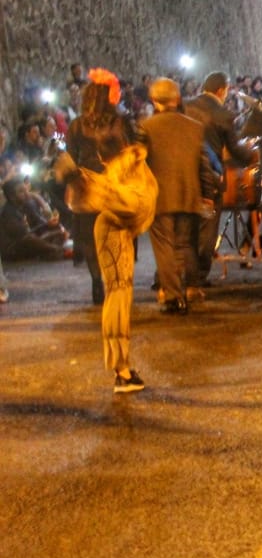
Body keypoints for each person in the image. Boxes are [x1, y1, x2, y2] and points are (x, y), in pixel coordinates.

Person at [67, 72, 157, 393]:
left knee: (109, 286)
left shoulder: (77, 126)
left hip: (88, 207)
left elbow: (73, 160)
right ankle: (121, 368)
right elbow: (131, 163)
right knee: (120, 288)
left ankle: (120, 365)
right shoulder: (120, 124)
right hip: (114, 207)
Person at [139, 77, 219, 314]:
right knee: (187, 243)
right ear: (177, 99)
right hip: (188, 193)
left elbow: (139, 163)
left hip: (159, 195)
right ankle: (193, 287)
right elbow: (203, 164)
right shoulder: (193, 127)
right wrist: (208, 193)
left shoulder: (146, 128)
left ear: (154, 100)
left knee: (165, 246)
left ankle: (173, 295)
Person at [185, 71, 258, 283]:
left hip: (185, 175)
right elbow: (234, 149)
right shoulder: (223, 114)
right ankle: (197, 276)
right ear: (221, 90)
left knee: (184, 227)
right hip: (210, 176)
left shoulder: (185, 105)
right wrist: (252, 157)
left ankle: (170, 274)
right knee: (207, 228)